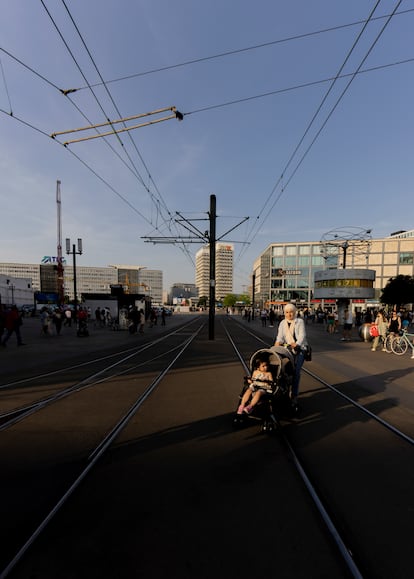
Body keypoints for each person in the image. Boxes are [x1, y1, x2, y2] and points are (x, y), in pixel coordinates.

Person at [274, 303, 308, 406]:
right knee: (283, 371)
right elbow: (280, 337)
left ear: (295, 312)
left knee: (296, 373)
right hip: (287, 349)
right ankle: (283, 390)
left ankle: (294, 395)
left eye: (291, 312)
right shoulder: (282, 323)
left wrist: (296, 344)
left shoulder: (300, 322)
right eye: (287, 312)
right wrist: (276, 345)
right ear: (284, 313)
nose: (289, 314)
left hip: (300, 349)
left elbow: (302, 335)